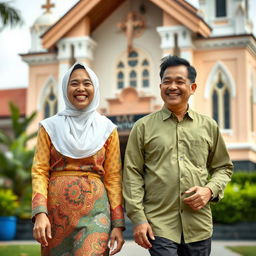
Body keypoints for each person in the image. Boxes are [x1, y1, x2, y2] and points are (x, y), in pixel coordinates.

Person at [122, 55, 233, 256]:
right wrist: (138, 218)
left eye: (179, 81)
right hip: (159, 225)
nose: (172, 86)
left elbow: (223, 167)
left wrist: (209, 190)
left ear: (193, 88)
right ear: (160, 86)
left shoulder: (208, 126)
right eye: (167, 81)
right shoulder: (143, 127)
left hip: (198, 225)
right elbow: (132, 174)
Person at [32, 62, 125, 256]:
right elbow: (39, 171)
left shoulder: (107, 129)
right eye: (74, 83)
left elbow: (114, 177)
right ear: (65, 88)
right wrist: (40, 213)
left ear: (95, 88)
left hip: (96, 214)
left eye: (87, 83)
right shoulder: (49, 127)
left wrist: (118, 223)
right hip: (55, 215)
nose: (81, 88)